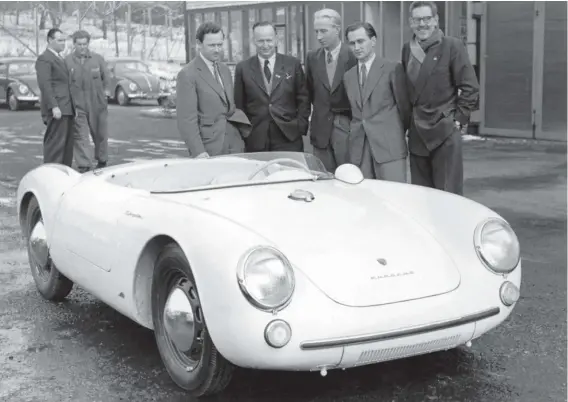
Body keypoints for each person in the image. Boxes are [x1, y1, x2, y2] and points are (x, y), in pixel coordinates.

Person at [401, 1, 479, 195]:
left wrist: (458, 120)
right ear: (411, 23)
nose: (422, 24)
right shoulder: (407, 50)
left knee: (448, 196)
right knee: (422, 196)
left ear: (436, 20)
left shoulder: (452, 46)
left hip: (444, 131)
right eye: (417, 20)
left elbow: (470, 87)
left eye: (427, 19)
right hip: (417, 134)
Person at [343, 22, 411, 182]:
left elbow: (405, 109)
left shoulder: (392, 69)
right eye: (352, 43)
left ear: (373, 41)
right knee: (366, 199)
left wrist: (393, 133)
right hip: (359, 148)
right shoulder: (348, 76)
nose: (356, 47)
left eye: (361, 41)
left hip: (389, 146)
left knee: (393, 197)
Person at [234, 21, 310, 153]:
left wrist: (299, 126)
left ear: (276, 40)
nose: (265, 45)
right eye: (260, 41)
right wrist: (245, 133)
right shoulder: (243, 68)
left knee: (290, 172)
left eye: (269, 40)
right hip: (256, 137)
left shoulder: (292, 64)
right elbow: (239, 105)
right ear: (254, 41)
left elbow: (303, 98)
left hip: (289, 136)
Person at [176, 22, 249, 158]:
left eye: (220, 45)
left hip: (235, 145)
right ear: (199, 44)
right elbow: (186, 120)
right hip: (209, 148)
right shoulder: (187, 74)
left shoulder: (225, 70)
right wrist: (198, 151)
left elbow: (229, 108)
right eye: (211, 45)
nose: (217, 50)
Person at [305, 8, 357, 172]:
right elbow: (308, 93)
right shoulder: (312, 58)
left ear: (337, 29)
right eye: (316, 31)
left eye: (323, 31)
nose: (319, 36)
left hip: (346, 131)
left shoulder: (353, 56)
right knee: (323, 181)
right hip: (320, 132)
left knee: (348, 180)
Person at [65, 30, 111, 172]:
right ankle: (84, 165)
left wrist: (105, 93)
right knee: (80, 135)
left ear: (88, 44)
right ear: (74, 44)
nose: (82, 47)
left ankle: (102, 160)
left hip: (97, 103)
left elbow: (107, 79)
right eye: (79, 44)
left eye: (85, 44)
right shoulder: (67, 61)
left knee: (100, 134)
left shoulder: (97, 59)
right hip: (77, 104)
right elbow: (63, 83)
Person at [35, 28, 74, 166]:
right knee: (55, 146)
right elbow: (45, 85)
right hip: (58, 109)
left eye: (64, 40)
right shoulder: (45, 59)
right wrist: (54, 106)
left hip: (67, 108)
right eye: (60, 40)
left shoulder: (59, 58)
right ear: (50, 40)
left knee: (66, 147)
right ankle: (51, 176)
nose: (63, 43)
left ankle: (63, 175)